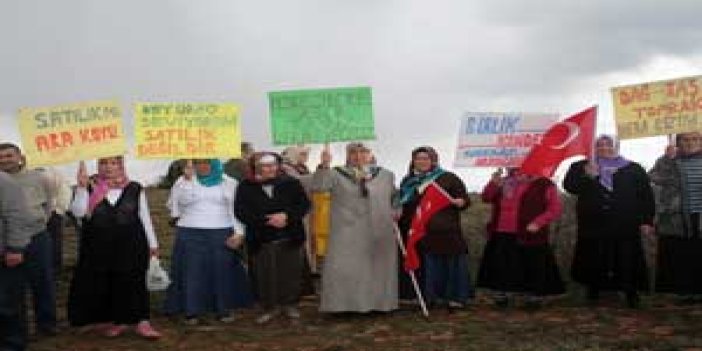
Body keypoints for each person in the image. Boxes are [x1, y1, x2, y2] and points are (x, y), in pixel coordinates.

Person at [68, 157, 161, 338]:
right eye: (104, 163)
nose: (109, 167)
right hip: (98, 246)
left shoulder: (134, 188)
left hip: (132, 244)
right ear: (98, 166)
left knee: (134, 281)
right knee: (108, 283)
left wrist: (153, 244)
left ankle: (142, 322)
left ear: (121, 165)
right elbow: (78, 212)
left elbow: (145, 217)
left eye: (113, 163)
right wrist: (80, 188)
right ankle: (118, 321)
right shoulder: (89, 187)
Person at [563, 135, 655, 308]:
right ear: (593, 147)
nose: (604, 148)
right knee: (594, 256)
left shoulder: (633, 168)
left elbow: (646, 196)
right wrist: (587, 176)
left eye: (608, 144)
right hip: (593, 223)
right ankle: (593, 289)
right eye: (599, 144)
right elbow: (570, 187)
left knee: (626, 257)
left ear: (616, 146)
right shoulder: (581, 166)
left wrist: (646, 220)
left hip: (625, 222)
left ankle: (630, 292)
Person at [312, 143, 399, 313]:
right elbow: (319, 186)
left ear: (370, 154)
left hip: (377, 228)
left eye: (363, 152)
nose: (358, 156)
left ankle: (378, 305)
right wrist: (324, 165)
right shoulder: (335, 174)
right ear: (347, 155)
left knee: (376, 270)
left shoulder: (386, 175)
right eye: (353, 152)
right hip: (345, 229)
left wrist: (397, 210)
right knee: (344, 268)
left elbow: (395, 197)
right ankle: (343, 306)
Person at [165, 159, 252, 324]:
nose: (202, 166)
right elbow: (177, 206)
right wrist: (189, 181)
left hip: (221, 231)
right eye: (198, 162)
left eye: (206, 162)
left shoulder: (229, 182)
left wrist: (239, 233)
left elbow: (236, 210)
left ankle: (223, 309)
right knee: (192, 272)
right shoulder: (183, 181)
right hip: (190, 231)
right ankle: (191, 311)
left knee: (222, 272)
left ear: (214, 163)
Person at [235, 152, 311, 324]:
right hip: (262, 238)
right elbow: (241, 212)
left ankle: (290, 304)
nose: (270, 169)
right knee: (264, 274)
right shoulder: (246, 186)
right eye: (265, 166)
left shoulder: (291, 183)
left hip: (290, 235)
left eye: (273, 165)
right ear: (257, 168)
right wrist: (265, 221)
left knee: (290, 273)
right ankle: (269, 307)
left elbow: (304, 205)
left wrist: (287, 217)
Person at [477, 168, 564, 308]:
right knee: (503, 264)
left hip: (530, 232)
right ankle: (502, 294)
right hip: (502, 230)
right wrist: (493, 183)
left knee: (532, 264)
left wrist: (538, 222)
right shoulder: (504, 181)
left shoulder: (543, 183)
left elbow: (555, 208)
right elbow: (486, 198)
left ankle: (533, 296)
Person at [398, 146, 471, 309]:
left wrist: (462, 202)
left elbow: (464, 199)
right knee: (426, 266)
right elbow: (403, 203)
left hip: (445, 229)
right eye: (418, 159)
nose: (422, 162)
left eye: (426, 158)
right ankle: (429, 296)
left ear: (433, 160)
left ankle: (455, 298)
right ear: (413, 161)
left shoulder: (448, 178)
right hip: (419, 230)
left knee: (451, 264)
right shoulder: (407, 181)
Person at [0, 143, 57, 336]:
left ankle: (47, 325)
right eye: (1, 157)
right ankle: (18, 330)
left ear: (20, 157)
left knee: (42, 282)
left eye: (9, 155)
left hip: (37, 237)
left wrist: (35, 224)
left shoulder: (39, 178)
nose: (5, 160)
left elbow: (49, 205)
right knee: (12, 288)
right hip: (8, 241)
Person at [649, 132, 702, 302]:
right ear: (678, 142)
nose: (690, 143)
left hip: (700, 217)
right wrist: (667, 159)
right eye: (685, 139)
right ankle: (682, 292)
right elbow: (654, 177)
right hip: (675, 217)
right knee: (681, 255)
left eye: (695, 139)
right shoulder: (668, 160)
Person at [0, 171, 33, 351]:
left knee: (6, 304)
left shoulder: (4, 181)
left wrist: (15, 248)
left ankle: (13, 344)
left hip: (5, 254)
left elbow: (17, 215)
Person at [35, 167, 72, 271]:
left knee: (54, 240)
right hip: (33, 213)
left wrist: (59, 210)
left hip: (53, 213)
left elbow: (65, 191)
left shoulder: (55, 172)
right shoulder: (28, 171)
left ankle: (54, 266)